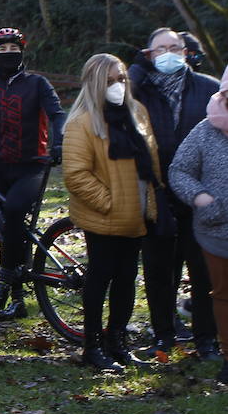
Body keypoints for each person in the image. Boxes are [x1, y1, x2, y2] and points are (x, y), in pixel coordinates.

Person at [64, 53, 160, 371]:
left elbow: (151, 160)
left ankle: (117, 342)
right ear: (95, 83)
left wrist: (150, 202)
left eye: (121, 79)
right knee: (100, 278)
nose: (118, 85)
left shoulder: (137, 113)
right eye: (110, 81)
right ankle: (92, 346)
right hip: (103, 216)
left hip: (136, 214)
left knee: (127, 278)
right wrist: (110, 204)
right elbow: (77, 175)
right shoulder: (82, 123)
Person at [130, 27, 221, 359]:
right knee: (158, 270)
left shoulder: (209, 89)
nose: (169, 53)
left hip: (202, 196)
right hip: (156, 194)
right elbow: (115, 96)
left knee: (203, 270)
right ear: (149, 54)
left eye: (175, 47)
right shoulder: (139, 89)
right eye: (160, 48)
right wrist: (138, 70)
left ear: (186, 52)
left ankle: (205, 339)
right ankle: (163, 334)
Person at [0, 27, 66, 320]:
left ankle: (4, 280)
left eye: (12, 48)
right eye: (1, 50)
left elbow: (56, 113)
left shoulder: (37, 84)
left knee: (15, 212)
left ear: (22, 50)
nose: (8, 54)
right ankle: (19, 300)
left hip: (32, 165)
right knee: (8, 230)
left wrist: (58, 141)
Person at [168, 83, 228, 383]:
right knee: (223, 294)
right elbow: (179, 170)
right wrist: (201, 198)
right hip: (216, 230)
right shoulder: (206, 129)